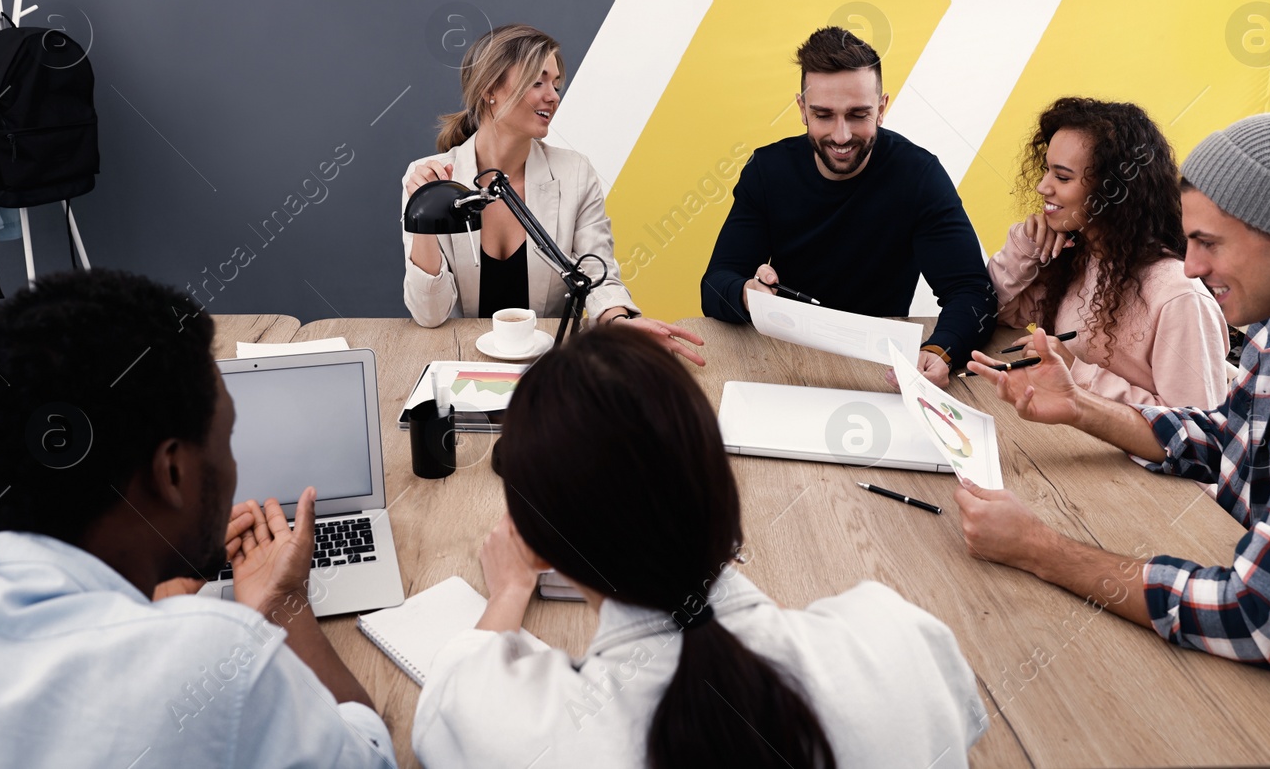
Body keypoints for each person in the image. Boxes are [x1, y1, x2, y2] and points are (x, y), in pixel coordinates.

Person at [959, 113, 1270, 704]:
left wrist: (1038, 549)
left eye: (1208, 243)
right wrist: (1079, 407)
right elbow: (1226, 441)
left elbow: (1261, 616)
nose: (1191, 267)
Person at [0, 271, 396, 767]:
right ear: (171, 473)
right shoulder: (216, 664)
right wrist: (283, 605)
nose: (235, 466)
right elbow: (369, 753)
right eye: (227, 440)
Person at [412, 328, 987, 768]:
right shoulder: (897, 640)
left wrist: (510, 589)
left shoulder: (522, 733)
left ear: (538, 547)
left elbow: (457, 686)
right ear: (720, 480)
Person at [700, 26, 996, 385]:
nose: (841, 136)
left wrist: (939, 350)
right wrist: (747, 294)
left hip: (880, 367)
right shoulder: (767, 170)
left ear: (882, 108)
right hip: (787, 359)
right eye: (824, 115)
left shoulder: (918, 175)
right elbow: (715, 285)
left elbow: (972, 291)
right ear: (802, 109)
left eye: (858, 114)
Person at [402, 23, 704, 364]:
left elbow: (596, 271)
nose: (553, 96)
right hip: (467, 361)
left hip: (551, 365)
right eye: (538, 81)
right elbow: (429, 314)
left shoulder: (574, 173)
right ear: (490, 89)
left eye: (556, 84)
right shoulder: (431, 179)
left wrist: (619, 321)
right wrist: (422, 211)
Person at [987, 97, 1228, 407]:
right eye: (1046, 171)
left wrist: (1075, 372)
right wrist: (1026, 245)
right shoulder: (1081, 258)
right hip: (1067, 441)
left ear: (1113, 190)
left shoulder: (1178, 294)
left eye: (1062, 177)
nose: (1042, 187)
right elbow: (997, 311)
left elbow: (1196, 428)